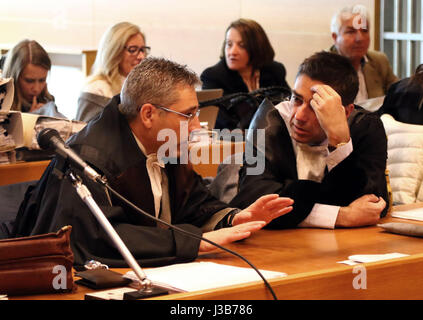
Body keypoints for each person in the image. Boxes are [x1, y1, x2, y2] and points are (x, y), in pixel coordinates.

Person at [12, 57, 294, 268]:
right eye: (188, 114)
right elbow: (96, 239)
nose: (196, 126)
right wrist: (197, 243)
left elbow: (192, 202)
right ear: (148, 114)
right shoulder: (89, 158)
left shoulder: (166, 143)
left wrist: (234, 217)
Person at [230, 51, 388, 229]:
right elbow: (251, 203)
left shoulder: (365, 126)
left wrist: (339, 141)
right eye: (296, 99)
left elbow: (373, 204)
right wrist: (341, 216)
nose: (299, 116)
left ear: (344, 112)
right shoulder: (267, 123)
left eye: (315, 106)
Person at [200, 18, 290, 129]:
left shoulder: (275, 70)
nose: (232, 52)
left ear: (257, 47)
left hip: (271, 139)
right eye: (229, 44)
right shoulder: (213, 77)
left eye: (241, 45)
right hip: (232, 141)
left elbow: (288, 108)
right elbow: (226, 125)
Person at [75, 22, 149, 122]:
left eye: (142, 50)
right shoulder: (97, 89)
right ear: (114, 52)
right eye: (132, 50)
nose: (141, 57)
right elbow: (85, 134)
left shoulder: (143, 87)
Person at [329, 5, 398, 102]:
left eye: (364, 31)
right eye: (351, 31)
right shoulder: (321, 67)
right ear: (335, 37)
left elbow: (398, 96)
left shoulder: (379, 61)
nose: (359, 38)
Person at [2, 39, 64, 117]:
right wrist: (30, 118)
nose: (36, 89)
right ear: (13, 77)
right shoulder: (2, 104)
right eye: (29, 81)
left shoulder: (47, 100)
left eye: (42, 80)